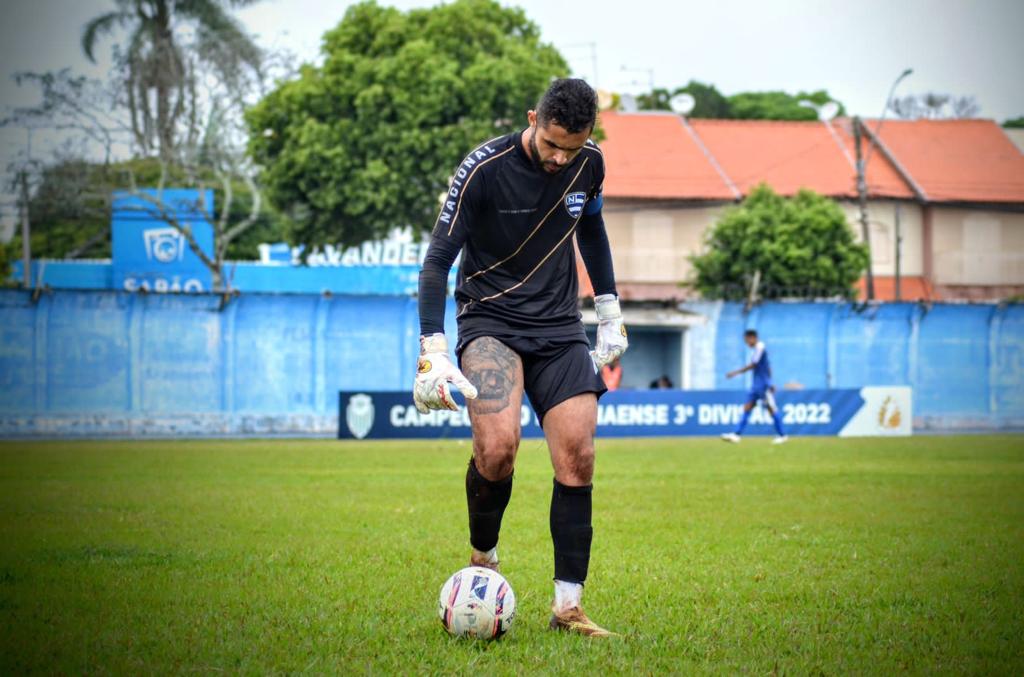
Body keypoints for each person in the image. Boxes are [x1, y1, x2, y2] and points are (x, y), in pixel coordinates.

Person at [414, 79, 627, 637]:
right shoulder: (483, 168)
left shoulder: (590, 164)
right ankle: (483, 559)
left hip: (559, 328)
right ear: (534, 117)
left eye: (572, 147)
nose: (561, 158)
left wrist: (608, 309)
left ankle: (568, 608)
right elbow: (437, 261)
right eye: (553, 142)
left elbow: (593, 230)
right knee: (498, 450)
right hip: (490, 323)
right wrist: (432, 349)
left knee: (578, 455)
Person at [721, 329, 788, 444]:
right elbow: (768, 367)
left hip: (763, 385)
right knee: (747, 407)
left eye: (747, 340)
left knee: (771, 409)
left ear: (752, 337)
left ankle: (782, 435)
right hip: (756, 385)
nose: (747, 343)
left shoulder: (760, 347)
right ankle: (736, 434)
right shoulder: (757, 350)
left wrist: (735, 373)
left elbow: (753, 365)